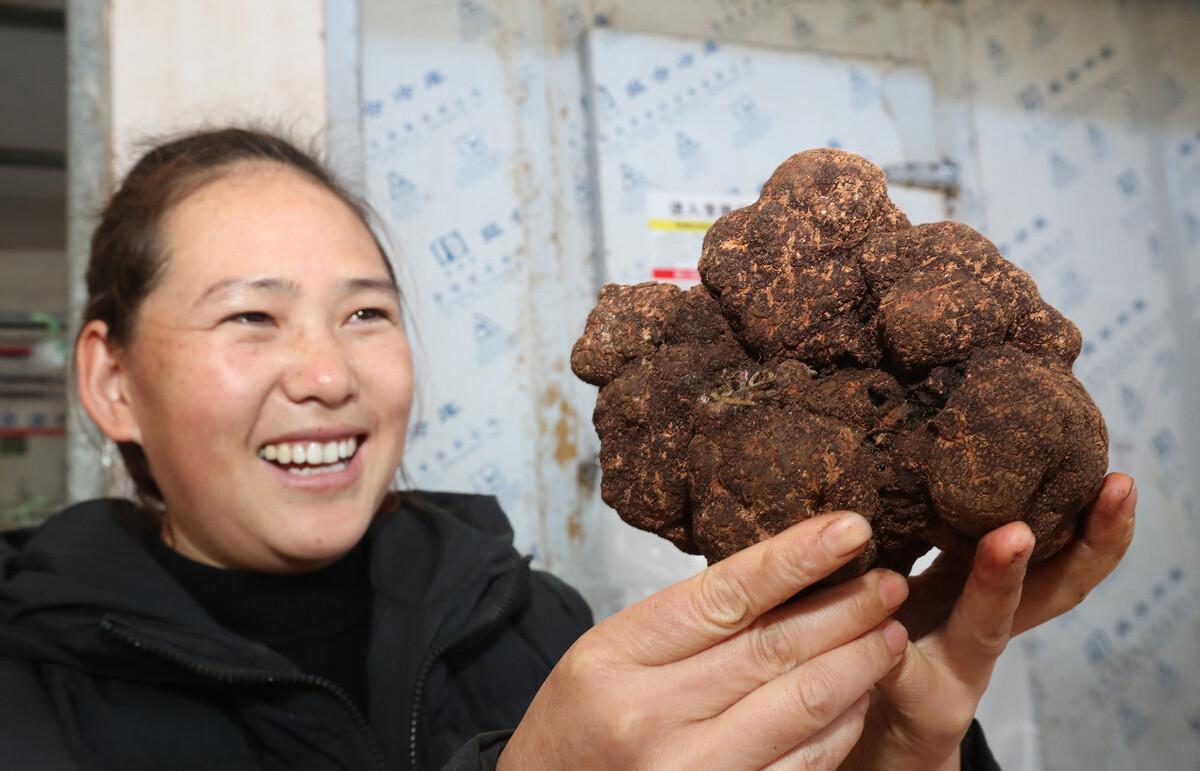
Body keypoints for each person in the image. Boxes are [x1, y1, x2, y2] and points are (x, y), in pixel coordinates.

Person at [0, 127, 1136, 771]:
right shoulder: (30, 701)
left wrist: (899, 757)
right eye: (252, 316)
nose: (328, 373)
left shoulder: (529, 624)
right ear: (109, 378)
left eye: (365, 313)